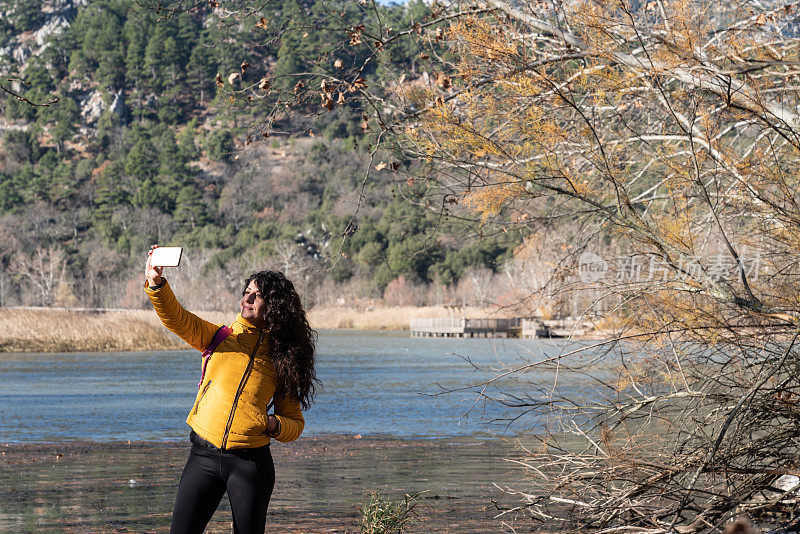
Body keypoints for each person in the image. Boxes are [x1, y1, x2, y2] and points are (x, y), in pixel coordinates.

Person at [144, 245, 317, 534]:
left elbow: (295, 424)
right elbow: (176, 317)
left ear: (274, 307)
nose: (246, 298)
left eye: (257, 295)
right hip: (203, 456)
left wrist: (271, 423)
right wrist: (156, 283)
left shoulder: (282, 359)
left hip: (250, 465)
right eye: (246, 291)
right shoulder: (218, 337)